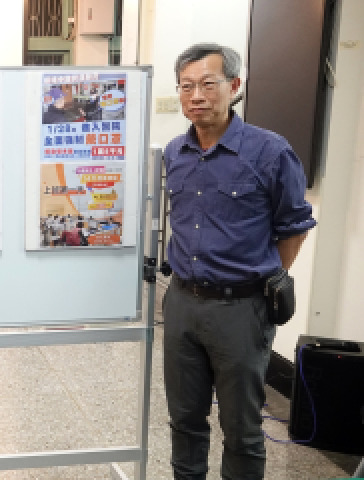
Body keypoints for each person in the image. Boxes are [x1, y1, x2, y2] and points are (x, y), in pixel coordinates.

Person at [162, 43, 316, 480]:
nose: (196, 96)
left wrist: (263, 280)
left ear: (234, 86)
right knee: (184, 420)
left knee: (242, 429)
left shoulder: (270, 152)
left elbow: (294, 226)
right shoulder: (175, 152)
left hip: (241, 309)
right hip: (182, 303)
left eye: (207, 84)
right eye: (186, 86)